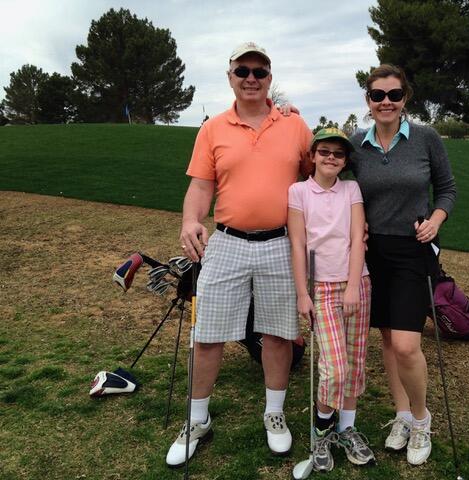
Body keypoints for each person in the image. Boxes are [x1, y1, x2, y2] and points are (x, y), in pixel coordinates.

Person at [167, 42, 312, 467]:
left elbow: (317, 174)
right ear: (230, 76)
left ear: (270, 78)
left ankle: (274, 413)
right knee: (208, 334)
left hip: (280, 243)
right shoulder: (213, 128)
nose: (251, 78)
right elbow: (201, 185)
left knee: (279, 333)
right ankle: (197, 421)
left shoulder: (295, 125)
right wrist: (190, 220)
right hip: (227, 241)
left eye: (260, 72)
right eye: (243, 70)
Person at [349, 64, 457, 466]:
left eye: (394, 95)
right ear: (368, 100)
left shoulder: (426, 137)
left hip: (414, 248)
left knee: (409, 344)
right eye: (378, 95)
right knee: (390, 341)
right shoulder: (357, 144)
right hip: (374, 251)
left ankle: (421, 419)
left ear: (405, 98)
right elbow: (322, 167)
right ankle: (400, 416)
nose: (386, 102)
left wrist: (437, 219)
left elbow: (446, 188)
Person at [287, 128, 374, 472]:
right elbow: (297, 243)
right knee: (334, 368)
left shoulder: (351, 189)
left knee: (353, 365)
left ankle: (347, 429)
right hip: (320, 287)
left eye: (338, 154)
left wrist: (353, 285)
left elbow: (357, 237)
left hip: (357, 284)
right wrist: (302, 293)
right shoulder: (298, 192)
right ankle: (322, 430)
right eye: (324, 152)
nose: (331, 158)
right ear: (313, 155)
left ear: (345, 161)